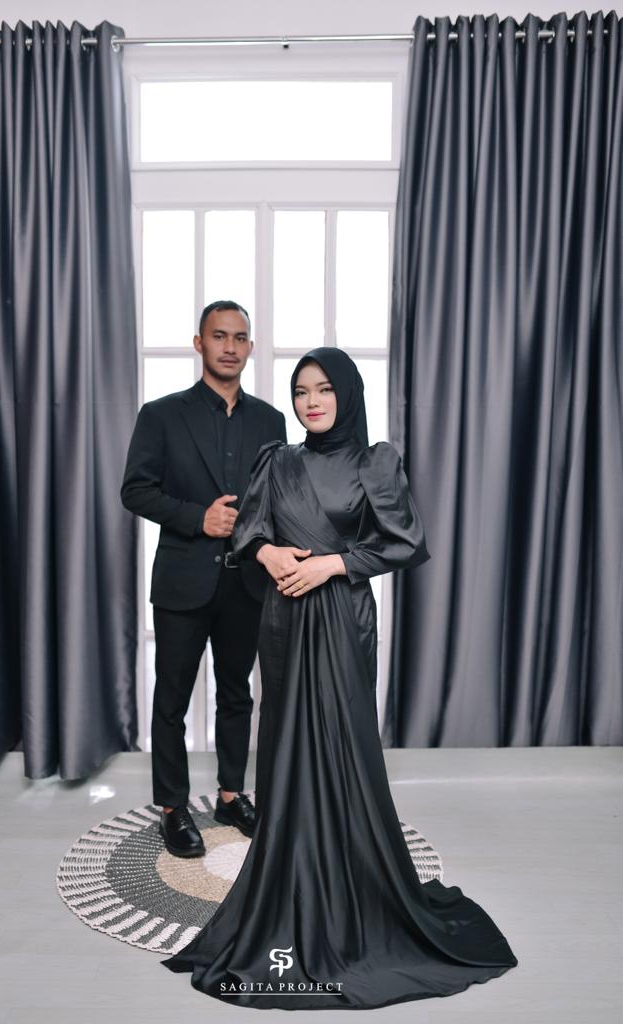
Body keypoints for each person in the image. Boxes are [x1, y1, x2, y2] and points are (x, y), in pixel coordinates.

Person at [162, 347, 518, 1009]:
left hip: (342, 618)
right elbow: (246, 534)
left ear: (347, 393)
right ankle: (290, 870)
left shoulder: (374, 461)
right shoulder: (277, 461)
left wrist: (331, 565)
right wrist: (267, 552)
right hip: (282, 621)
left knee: (342, 744)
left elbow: (405, 541)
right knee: (284, 745)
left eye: (323, 389)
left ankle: (353, 882)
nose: (311, 402)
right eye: (301, 392)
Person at [120, 300, 286, 858]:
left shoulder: (271, 421)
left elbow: (275, 497)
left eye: (240, 338)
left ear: (250, 348)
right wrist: (199, 518)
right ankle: (172, 808)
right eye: (219, 336)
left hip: (247, 583)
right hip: (183, 580)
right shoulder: (161, 415)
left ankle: (232, 795)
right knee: (171, 698)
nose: (230, 347)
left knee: (238, 694)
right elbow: (135, 490)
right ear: (200, 343)